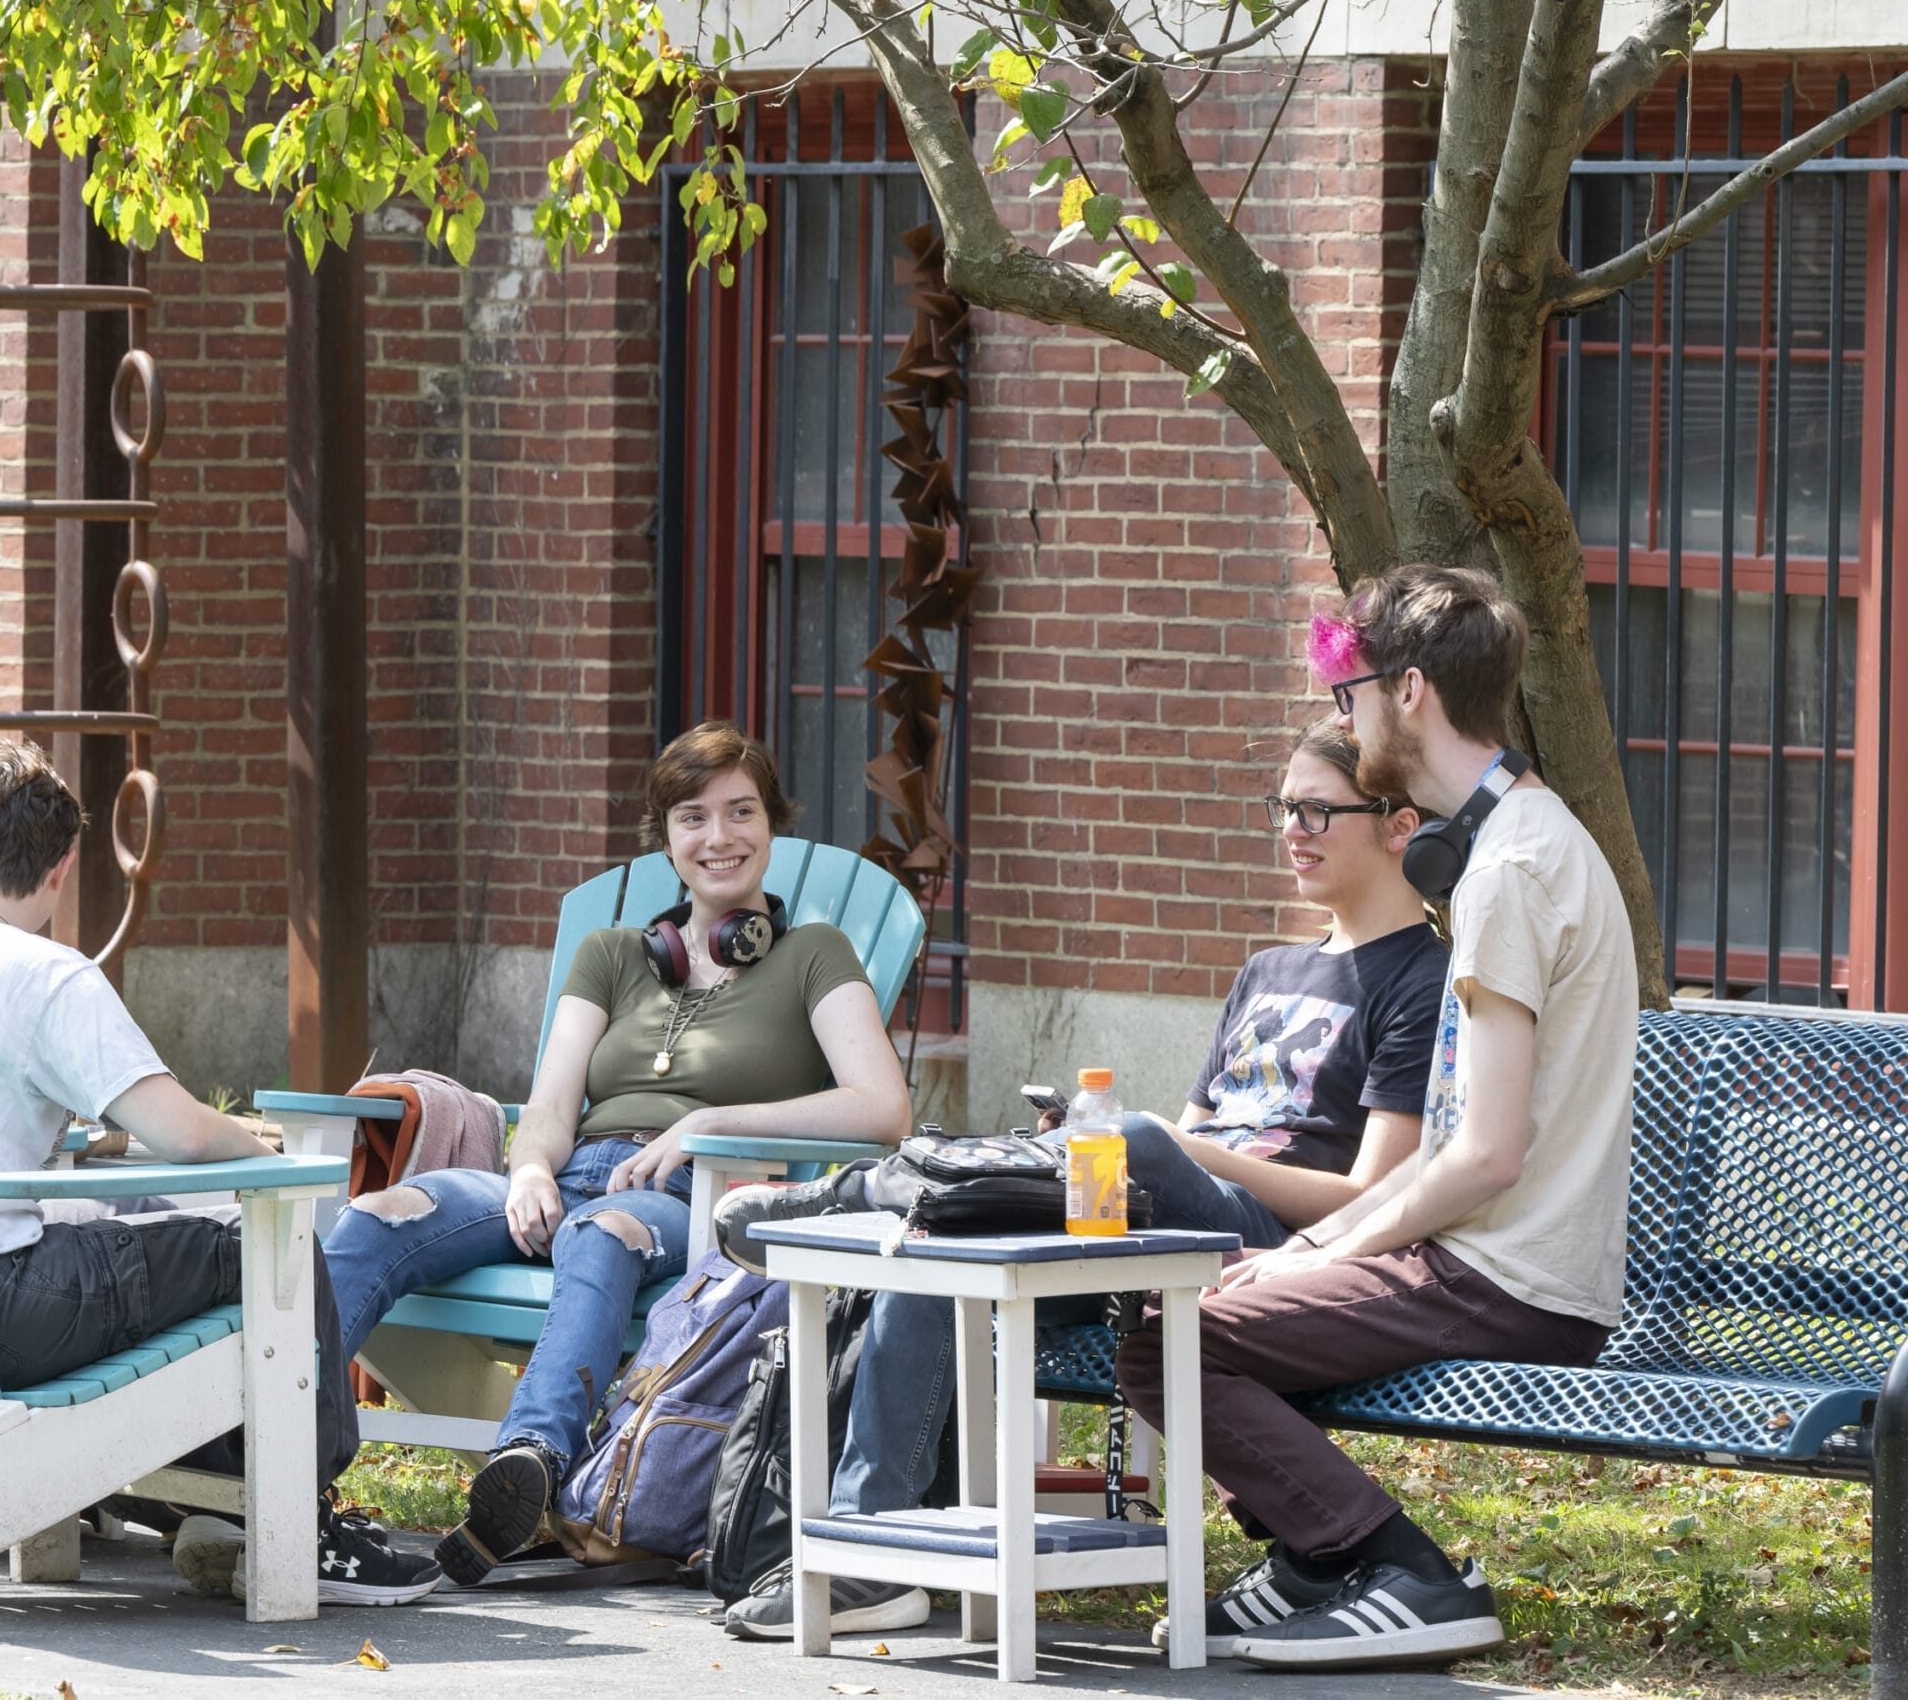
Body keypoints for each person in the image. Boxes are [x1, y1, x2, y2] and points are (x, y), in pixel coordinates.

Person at [710, 715, 1450, 1640]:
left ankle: (859, 1187)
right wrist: (1110, 1147)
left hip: (1269, 1246)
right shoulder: (1269, 969)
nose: (1292, 828)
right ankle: (871, 1553)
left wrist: (1160, 1148)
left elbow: (1365, 1196)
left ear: (1397, 824)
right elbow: (1184, 1141)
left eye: (1317, 810)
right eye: (1284, 807)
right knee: (949, 1241)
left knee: (1129, 1135)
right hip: (1159, 1217)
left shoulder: (1422, 980)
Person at [1119, 564, 1635, 1670]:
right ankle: (1317, 1563)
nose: (1344, 722)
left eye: (1350, 695)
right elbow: (1463, 1142)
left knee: (1168, 1345)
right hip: (1492, 1264)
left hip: (1504, 1280)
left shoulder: (1509, 874)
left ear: (1408, 692)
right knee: (1207, 1307)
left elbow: (1484, 1156)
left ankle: (1395, 1569)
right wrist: (1306, 1250)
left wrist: (1314, 1254)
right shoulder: (1524, 843)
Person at [319, 722, 914, 1586]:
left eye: (741, 812)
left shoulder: (811, 954)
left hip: (688, 1195)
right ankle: (280, 1464)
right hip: (568, 1173)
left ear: (772, 825)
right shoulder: (611, 955)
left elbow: (881, 1105)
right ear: (666, 838)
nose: (720, 837)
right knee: (378, 1216)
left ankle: (527, 1463)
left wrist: (714, 1124)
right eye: (694, 817)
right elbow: (554, 1105)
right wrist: (526, 1169)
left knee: (603, 1232)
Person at [0, 740, 442, 1607]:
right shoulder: (48, 976)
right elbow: (185, 1136)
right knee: (264, 1249)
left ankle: (190, 1494)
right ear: (62, 867)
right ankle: (301, 1516)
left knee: (139, 1229)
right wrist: (267, 1151)